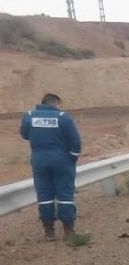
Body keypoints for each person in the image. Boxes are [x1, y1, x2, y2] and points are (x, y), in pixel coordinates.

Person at [20, 93, 82, 241]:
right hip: (62, 161)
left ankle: (49, 232)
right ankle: (69, 231)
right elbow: (75, 141)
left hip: (39, 162)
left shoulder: (29, 116)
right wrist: (72, 158)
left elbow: (24, 134)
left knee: (44, 195)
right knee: (65, 195)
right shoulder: (64, 117)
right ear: (57, 103)